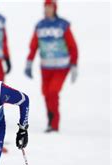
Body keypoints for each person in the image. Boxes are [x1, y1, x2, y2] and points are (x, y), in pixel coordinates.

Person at [24, 0, 78, 133]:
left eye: (50, 7)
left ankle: (54, 124)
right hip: (45, 67)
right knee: (46, 93)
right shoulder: (40, 26)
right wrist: (29, 62)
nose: (48, 10)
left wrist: (74, 64)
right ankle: (50, 121)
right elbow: (34, 45)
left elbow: (72, 46)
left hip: (61, 67)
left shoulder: (63, 25)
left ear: (55, 8)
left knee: (53, 92)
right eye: (46, 7)